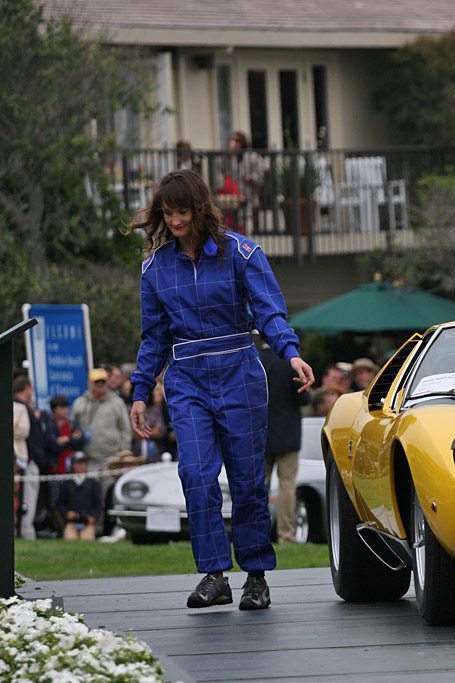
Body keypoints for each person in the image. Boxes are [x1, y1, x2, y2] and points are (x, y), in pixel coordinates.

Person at [127, 168, 314, 611]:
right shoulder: (155, 267)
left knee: (249, 481)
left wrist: (291, 353)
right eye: (168, 213)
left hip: (240, 373)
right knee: (194, 474)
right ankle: (214, 575)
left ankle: (255, 576)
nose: (175, 221)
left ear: (200, 208)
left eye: (183, 211)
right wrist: (139, 391)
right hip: (186, 377)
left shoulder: (242, 253)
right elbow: (154, 336)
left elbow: (269, 313)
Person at [259, 340, 310, 544]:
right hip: (287, 433)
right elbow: (304, 399)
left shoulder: (255, 360)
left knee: (260, 487)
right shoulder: (290, 362)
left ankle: (259, 536)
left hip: (259, 434)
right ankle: (286, 536)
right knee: (287, 486)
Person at [71, 367, 132, 534]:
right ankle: (92, 530)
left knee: (109, 496)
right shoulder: (80, 403)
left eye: (103, 381)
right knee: (89, 496)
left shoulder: (116, 402)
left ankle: (109, 529)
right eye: (97, 382)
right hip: (88, 459)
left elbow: (126, 429)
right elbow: (72, 426)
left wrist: (124, 455)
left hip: (110, 458)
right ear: (90, 383)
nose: (100, 385)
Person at [13, 375, 47, 540]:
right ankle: (26, 532)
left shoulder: (26, 407)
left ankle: (25, 530)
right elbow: (22, 432)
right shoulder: (19, 407)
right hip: (24, 460)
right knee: (26, 498)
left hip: (28, 459)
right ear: (26, 388)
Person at [217, 131, 263, 234]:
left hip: (248, 190)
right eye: (232, 140)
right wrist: (228, 155)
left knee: (247, 213)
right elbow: (221, 169)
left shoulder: (252, 156)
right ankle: (235, 231)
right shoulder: (230, 157)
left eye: (237, 141)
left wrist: (250, 178)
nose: (234, 143)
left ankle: (250, 231)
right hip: (234, 190)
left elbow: (260, 175)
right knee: (231, 210)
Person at [55, 451, 103, 541]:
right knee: (70, 538)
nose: (81, 466)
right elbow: (59, 504)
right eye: (78, 463)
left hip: (87, 522)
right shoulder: (66, 483)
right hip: (72, 522)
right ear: (72, 465)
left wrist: (93, 517)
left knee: (87, 539)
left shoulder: (93, 483)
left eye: (83, 463)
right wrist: (67, 513)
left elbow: (98, 504)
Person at [44, 395, 87, 476]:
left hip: (73, 467)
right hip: (56, 468)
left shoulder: (72, 424)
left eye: (66, 407)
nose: (65, 410)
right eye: (61, 408)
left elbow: (81, 440)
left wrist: (66, 439)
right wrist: (71, 438)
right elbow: (54, 446)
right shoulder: (50, 426)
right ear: (54, 409)